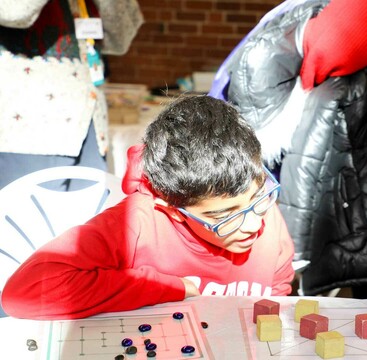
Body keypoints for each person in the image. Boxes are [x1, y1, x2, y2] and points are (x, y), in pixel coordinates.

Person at [1, 96, 296, 319]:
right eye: (222, 216)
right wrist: (168, 287)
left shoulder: (262, 211)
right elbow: (23, 293)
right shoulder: (137, 223)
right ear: (170, 209)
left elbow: (278, 290)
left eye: (259, 197)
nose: (253, 225)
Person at [0, 0, 142, 190]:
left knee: (91, 217)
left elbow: (120, 39)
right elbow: (14, 11)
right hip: (30, 128)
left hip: (90, 123)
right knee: (29, 217)